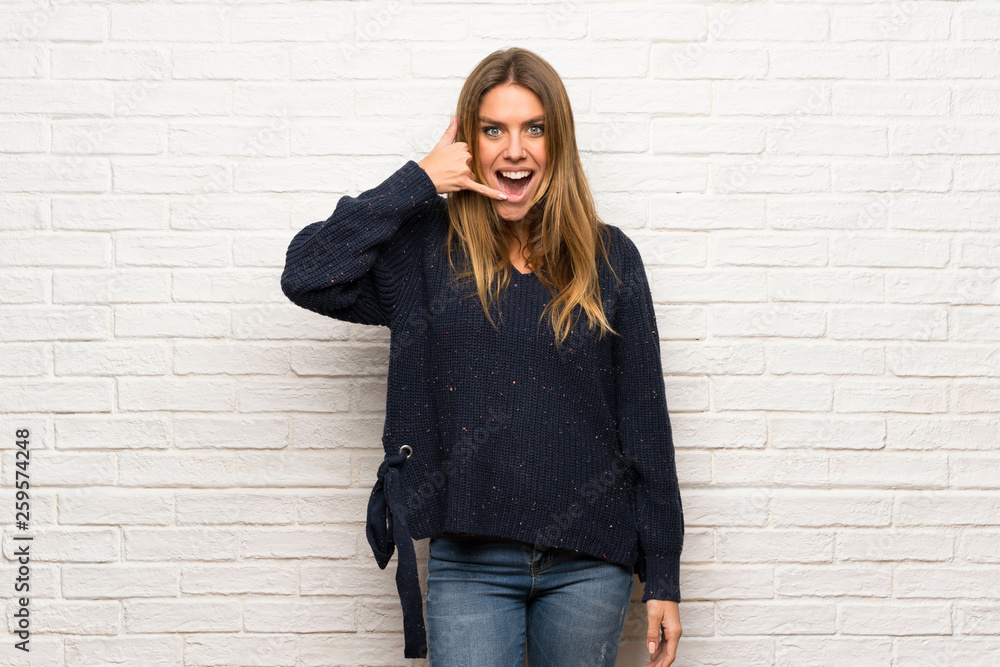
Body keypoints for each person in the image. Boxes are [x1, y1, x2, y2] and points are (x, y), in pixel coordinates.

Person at [281, 47, 683, 666]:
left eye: (534, 129)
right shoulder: (427, 252)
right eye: (494, 130)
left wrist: (663, 576)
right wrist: (418, 180)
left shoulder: (610, 258)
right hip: (470, 562)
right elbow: (308, 273)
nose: (514, 150)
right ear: (468, 143)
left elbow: (645, 423)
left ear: (559, 141)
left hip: (591, 560)